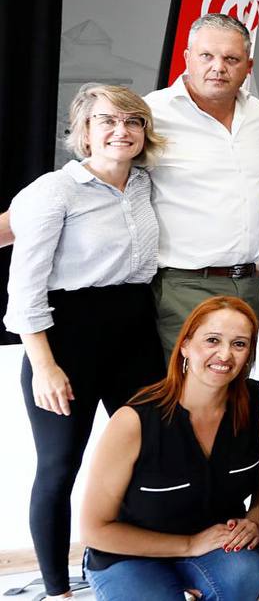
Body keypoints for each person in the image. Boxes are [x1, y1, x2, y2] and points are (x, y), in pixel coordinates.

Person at [4, 85, 167, 599]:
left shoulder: (144, 184)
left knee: (152, 452)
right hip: (67, 340)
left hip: (136, 332)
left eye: (132, 122)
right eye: (107, 121)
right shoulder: (53, 191)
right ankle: (57, 589)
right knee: (59, 467)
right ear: (84, 131)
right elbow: (24, 287)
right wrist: (45, 364)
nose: (121, 131)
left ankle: (128, 563)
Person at [79, 297, 259, 601]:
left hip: (215, 543)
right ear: (185, 345)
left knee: (244, 578)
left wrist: (254, 521)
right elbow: (94, 529)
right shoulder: (133, 422)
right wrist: (190, 544)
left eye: (239, 344)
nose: (225, 354)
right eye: (212, 340)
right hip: (130, 553)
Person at [144, 12, 259, 357]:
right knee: (189, 395)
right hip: (184, 283)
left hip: (248, 284)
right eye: (207, 56)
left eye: (231, 59)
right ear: (187, 58)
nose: (218, 67)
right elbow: (104, 174)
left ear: (248, 66)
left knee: (236, 395)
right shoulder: (153, 113)